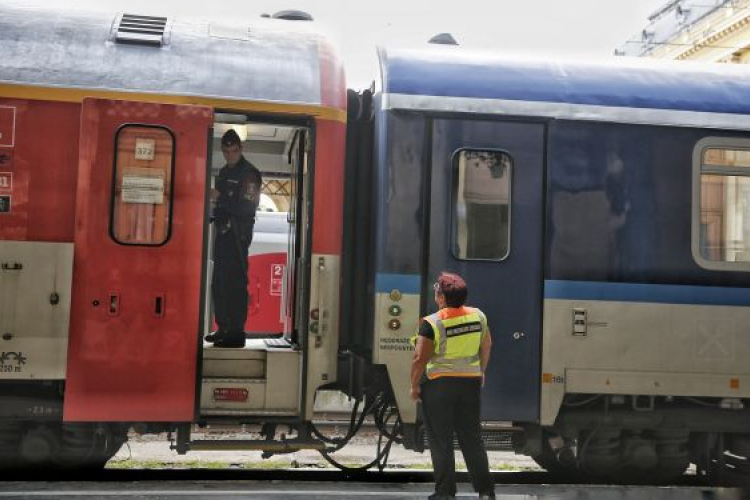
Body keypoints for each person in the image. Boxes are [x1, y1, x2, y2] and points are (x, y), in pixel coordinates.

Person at [410, 272, 495, 500]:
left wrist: (414, 385)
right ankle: (486, 491)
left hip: (439, 387)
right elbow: (487, 345)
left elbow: (420, 358)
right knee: (472, 438)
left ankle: (445, 492)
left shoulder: (432, 323)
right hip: (470, 384)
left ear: (441, 298)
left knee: (441, 439)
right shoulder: (478, 316)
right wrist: (481, 371)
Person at [205, 129, 262, 348]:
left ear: (241, 149)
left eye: (234, 150)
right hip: (222, 234)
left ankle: (237, 332)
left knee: (235, 284)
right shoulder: (222, 173)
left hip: (238, 236)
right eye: (227, 151)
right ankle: (223, 328)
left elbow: (247, 208)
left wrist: (219, 198)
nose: (230, 155)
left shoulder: (249, 174)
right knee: (219, 283)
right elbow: (221, 207)